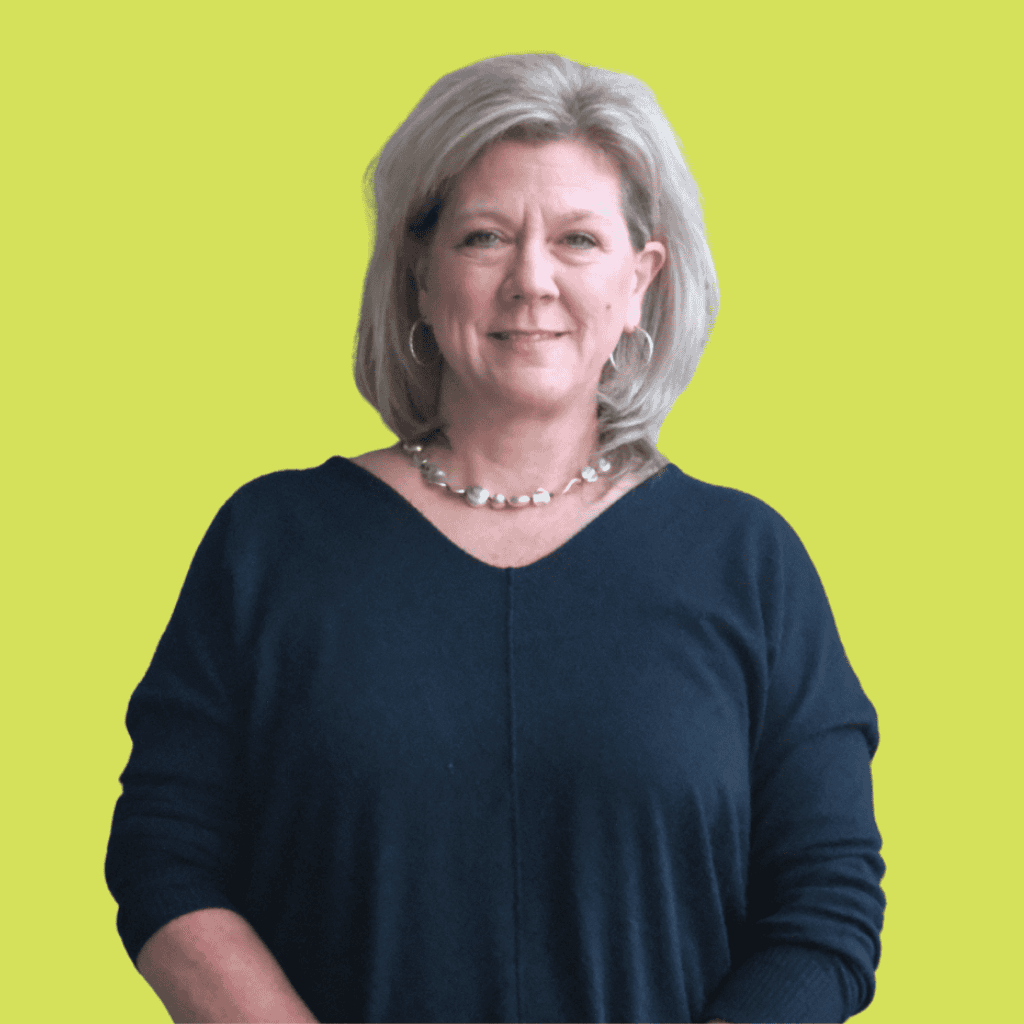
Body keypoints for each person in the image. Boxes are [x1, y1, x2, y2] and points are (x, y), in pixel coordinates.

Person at [106, 53, 885, 1023]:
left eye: (577, 239)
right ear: (419, 274)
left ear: (639, 282)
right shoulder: (272, 545)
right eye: (484, 237)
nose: (531, 281)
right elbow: (165, 854)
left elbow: (825, 910)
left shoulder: (749, 563)